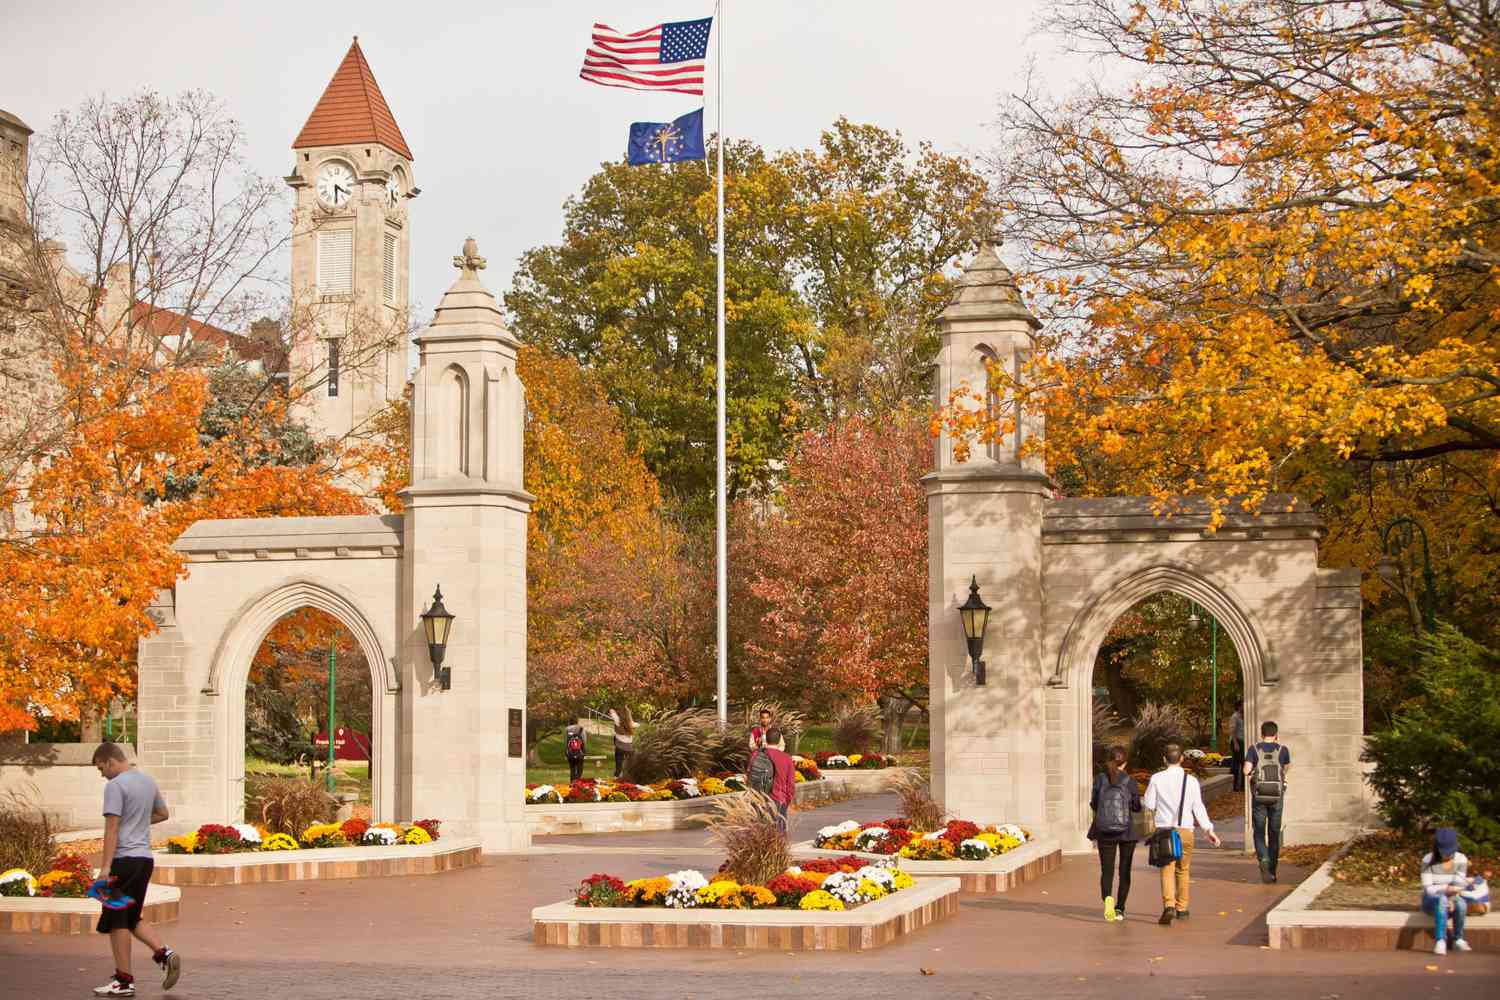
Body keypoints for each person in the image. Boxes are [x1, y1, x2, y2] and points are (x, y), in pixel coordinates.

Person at [91, 743, 180, 997]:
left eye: (101, 768)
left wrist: (105, 867)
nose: (102, 774)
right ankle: (164, 953)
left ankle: (124, 981)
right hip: (144, 861)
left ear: (110, 761)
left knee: (116, 920)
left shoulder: (115, 786)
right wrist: (139, 821)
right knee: (130, 916)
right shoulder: (147, 781)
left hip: (123, 860)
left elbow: (112, 829)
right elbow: (162, 813)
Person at [1142, 744, 1221, 926]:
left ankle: (1168, 905)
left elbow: (1150, 804)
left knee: (1166, 869)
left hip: (1165, 831)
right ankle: (1182, 907)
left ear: (1164, 759)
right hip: (1185, 830)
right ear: (1182, 759)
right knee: (1183, 869)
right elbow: (1198, 807)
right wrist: (1208, 829)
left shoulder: (1156, 779)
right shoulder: (1191, 781)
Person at [1088, 745, 1143, 922]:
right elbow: (1136, 807)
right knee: (1124, 870)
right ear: (1125, 762)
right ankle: (1120, 908)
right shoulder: (1130, 781)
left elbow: (1094, 804)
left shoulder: (1100, 779)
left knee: (1107, 870)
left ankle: (1107, 899)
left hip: (1104, 830)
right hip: (1126, 831)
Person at [1244, 719, 1291, 883]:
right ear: (1276, 734)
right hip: (1277, 796)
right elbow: (1286, 769)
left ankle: (1263, 859)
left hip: (1259, 796)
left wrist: (1253, 773)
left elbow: (1246, 771)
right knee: (1274, 832)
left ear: (1261, 733)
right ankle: (1272, 870)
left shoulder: (1254, 749)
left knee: (1258, 830)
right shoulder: (1283, 750)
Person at [1421, 827, 1474, 956]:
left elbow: (1459, 884)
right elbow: (1429, 889)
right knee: (1441, 899)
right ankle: (1440, 941)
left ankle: (1458, 938)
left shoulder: (1461, 859)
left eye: (1450, 851)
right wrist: (1445, 891)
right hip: (1431, 901)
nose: (1447, 855)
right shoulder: (1428, 860)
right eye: (1444, 851)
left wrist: (1452, 897)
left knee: (1461, 903)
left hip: (1453, 897)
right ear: (1437, 847)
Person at [762, 727, 797, 831]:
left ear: (766, 739)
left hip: (759, 799)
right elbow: (790, 785)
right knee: (779, 834)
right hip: (779, 799)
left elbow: (749, 776)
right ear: (779, 740)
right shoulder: (786, 758)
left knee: (760, 833)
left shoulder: (756, 755)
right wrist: (786, 801)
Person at [609, 706, 634, 778]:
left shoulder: (618, 721)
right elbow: (637, 724)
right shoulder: (631, 723)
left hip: (619, 747)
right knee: (629, 768)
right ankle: (628, 780)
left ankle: (616, 779)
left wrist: (616, 712)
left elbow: (611, 710)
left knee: (618, 767)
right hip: (629, 748)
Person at [1228, 701, 1246, 793]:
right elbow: (1232, 730)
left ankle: (1243, 786)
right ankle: (1234, 786)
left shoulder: (1244, 716)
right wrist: (1235, 743)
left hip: (1243, 741)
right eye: (1243, 705)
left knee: (1244, 763)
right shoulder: (1235, 716)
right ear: (1239, 706)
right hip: (1237, 741)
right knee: (1236, 763)